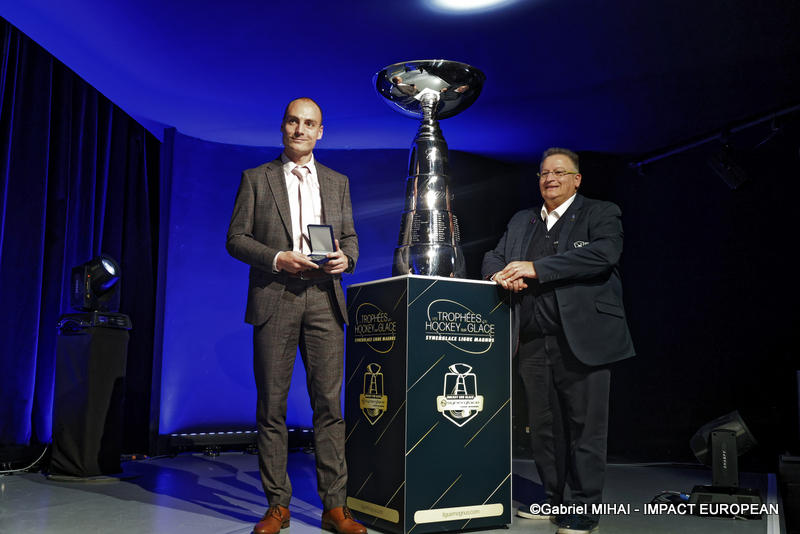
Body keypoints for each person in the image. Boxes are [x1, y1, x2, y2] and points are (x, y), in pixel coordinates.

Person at [226, 97, 364, 534]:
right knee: (272, 408)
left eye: (310, 123)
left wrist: (348, 261)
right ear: (282, 126)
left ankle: (335, 507)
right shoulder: (256, 178)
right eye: (293, 121)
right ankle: (277, 507)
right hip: (275, 297)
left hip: (325, 299)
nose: (300, 129)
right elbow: (235, 239)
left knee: (329, 407)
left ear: (320, 131)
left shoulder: (337, 181)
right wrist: (276, 258)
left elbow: (349, 238)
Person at [482, 148, 634, 534]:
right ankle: (552, 499)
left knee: (586, 427)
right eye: (544, 173)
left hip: (585, 339)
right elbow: (492, 255)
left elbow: (605, 253)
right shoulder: (522, 220)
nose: (550, 178)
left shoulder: (601, 212)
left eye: (560, 172)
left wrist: (535, 268)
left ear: (577, 179)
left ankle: (585, 506)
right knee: (543, 426)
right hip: (532, 339)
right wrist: (501, 275)